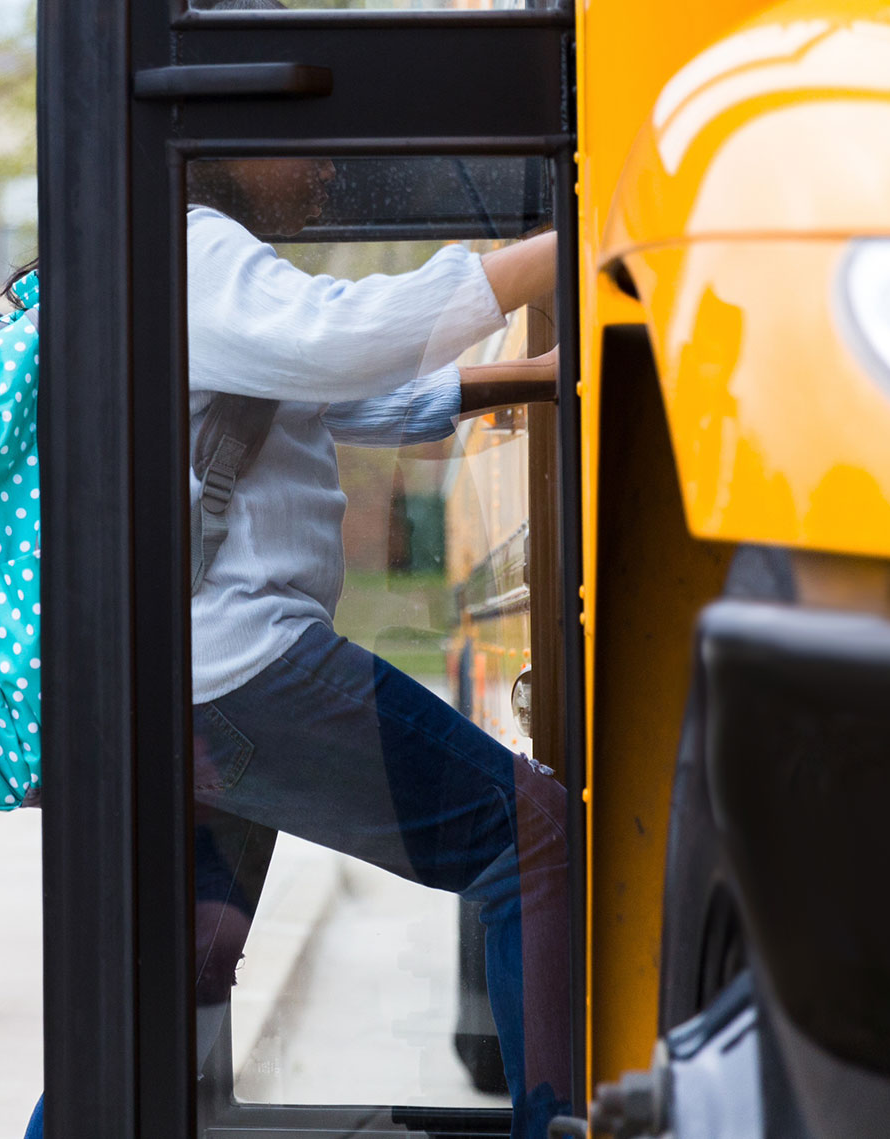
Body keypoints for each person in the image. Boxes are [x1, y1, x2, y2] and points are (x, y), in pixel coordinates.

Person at [183, 150, 577, 1139]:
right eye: (300, 138)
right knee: (532, 838)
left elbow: (350, 398)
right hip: (247, 668)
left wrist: (527, 379)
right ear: (227, 138)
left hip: (184, 677)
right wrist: (563, 252)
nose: (329, 164)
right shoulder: (194, 248)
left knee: (176, 966)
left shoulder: (168, 253)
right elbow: (344, 343)